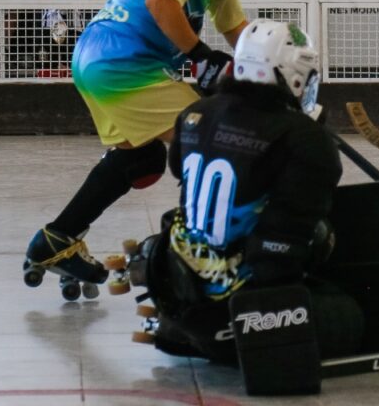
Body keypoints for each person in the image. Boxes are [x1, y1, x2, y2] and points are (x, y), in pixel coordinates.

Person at [22, 0, 265, 291]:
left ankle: (56, 240)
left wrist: (271, 65)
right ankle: (200, 254)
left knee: (142, 157)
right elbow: (159, 0)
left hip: (100, 56)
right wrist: (201, 59)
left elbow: (232, 23)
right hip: (121, 63)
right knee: (211, 142)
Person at [130, 21, 362, 380]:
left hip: (180, 294)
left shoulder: (195, 114)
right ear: (292, 75)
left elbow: (180, 167)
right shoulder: (304, 137)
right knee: (342, 293)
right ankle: (234, 336)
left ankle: (189, 330)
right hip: (242, 305)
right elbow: (283, 247)